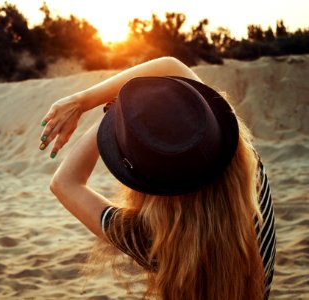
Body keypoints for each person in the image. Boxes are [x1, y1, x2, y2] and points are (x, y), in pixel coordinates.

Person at [39, 57, 276, 300]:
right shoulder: (248, 172)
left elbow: (64, 182)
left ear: (144, 183)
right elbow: (171, 67)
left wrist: (115, 115)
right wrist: (83, 102)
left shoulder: (154, 239)